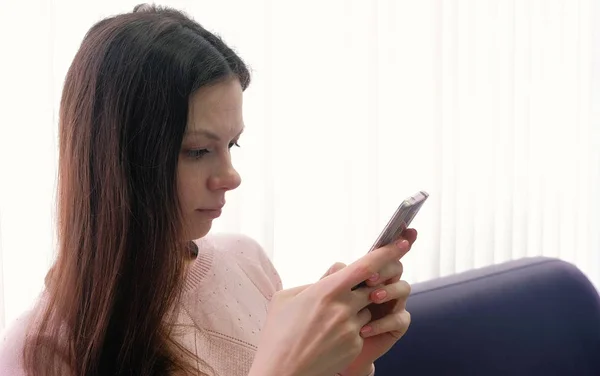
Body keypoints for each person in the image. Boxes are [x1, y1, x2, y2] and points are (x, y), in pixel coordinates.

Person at [0, 4, 417, 376]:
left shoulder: (246, 259)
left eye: (231, 144)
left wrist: (348, 366)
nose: (230, 176)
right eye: (198, 150)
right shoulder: (41, 350)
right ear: (118, 161)